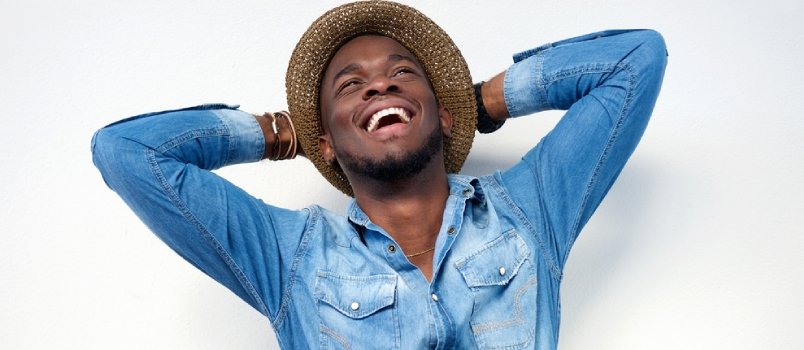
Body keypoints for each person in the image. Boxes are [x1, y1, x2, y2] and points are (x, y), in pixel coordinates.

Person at [91, 1, 667, 349]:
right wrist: (278, 132)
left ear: (439, 114)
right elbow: (126, 152)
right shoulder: (290, 256)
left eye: (401, 74)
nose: (379, 85)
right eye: (350, 85)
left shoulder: (530, 210)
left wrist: (481, 103)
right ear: (328, 146)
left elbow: (636, 58)